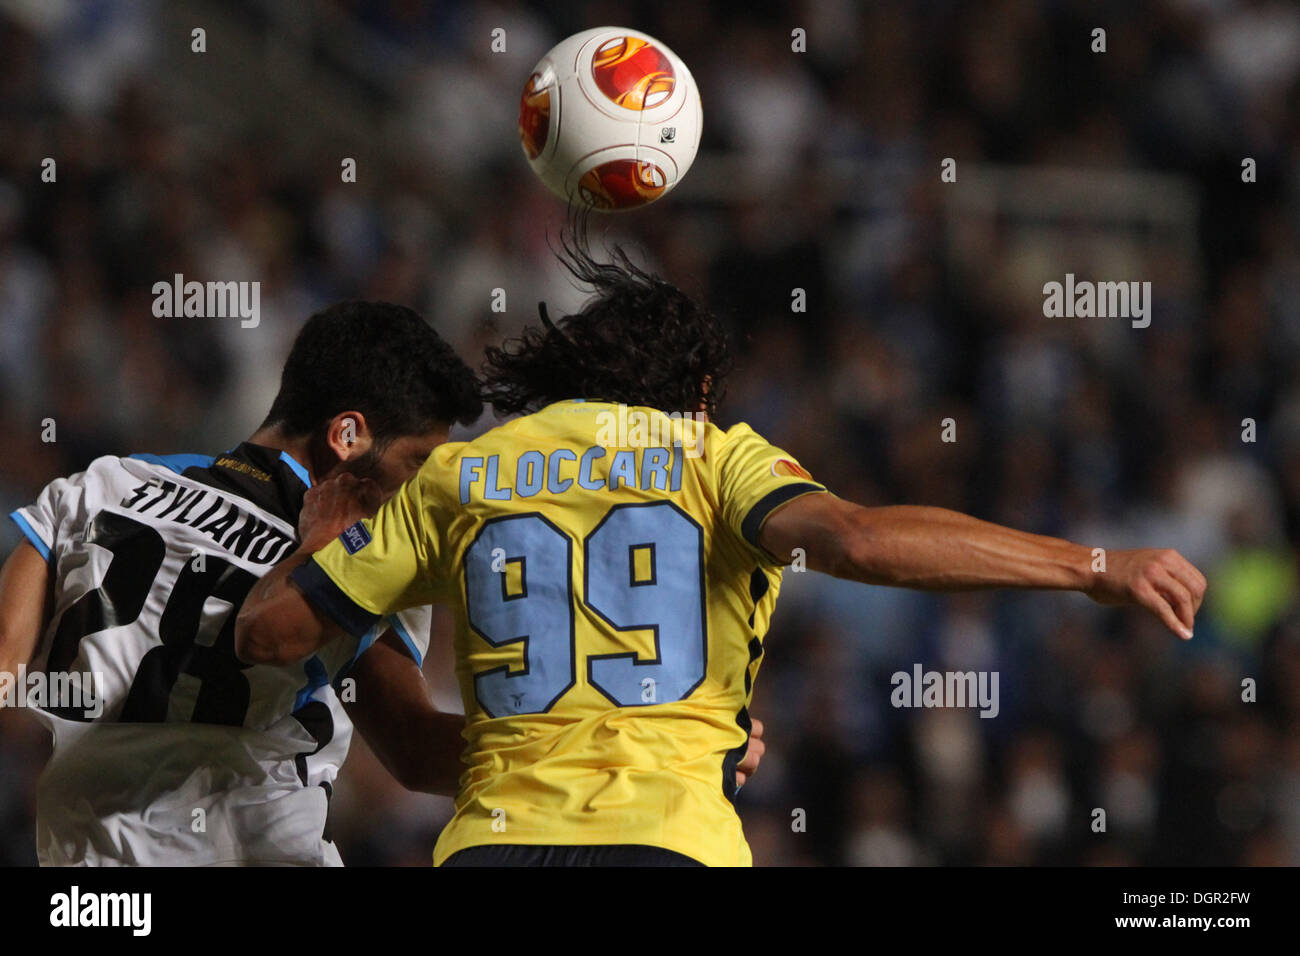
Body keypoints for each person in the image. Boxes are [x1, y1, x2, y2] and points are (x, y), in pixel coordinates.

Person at [235, 231, 1206, 867]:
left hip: (491, 844)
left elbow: (271, 635)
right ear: (693, 387)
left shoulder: (462, 473)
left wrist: (314, 545)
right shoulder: (712, 455)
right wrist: (1088, 564)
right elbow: (860, 539)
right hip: (669, 842)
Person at [0, 301, 481, 865]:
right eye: (418, 464)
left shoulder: (96, 488)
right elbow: (417, 751)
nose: (419, 492)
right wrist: (579, 745)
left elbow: (5, 677)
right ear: (345, 435)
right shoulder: (353, 557)